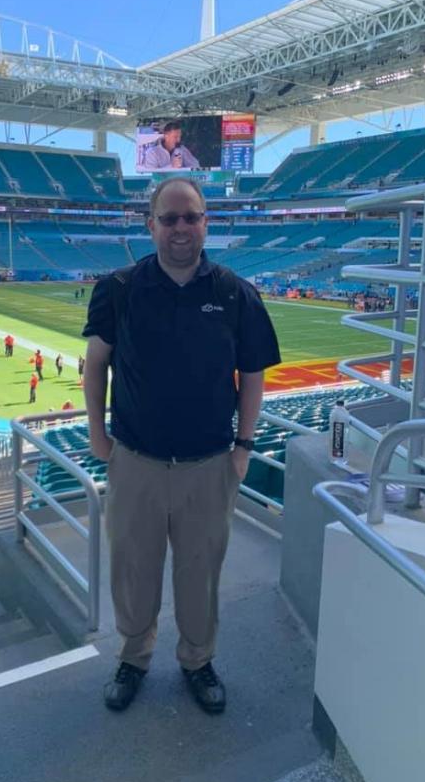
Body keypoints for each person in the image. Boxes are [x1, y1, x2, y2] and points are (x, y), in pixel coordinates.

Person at [82, 177, 280, 714]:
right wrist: (98, 435)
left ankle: (197, 659)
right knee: (133, 570)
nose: (180, 228)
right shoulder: (119, 289)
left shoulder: (235, 293)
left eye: (190, 217)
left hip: (209, 463)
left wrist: (243, 447)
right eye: (168, 219)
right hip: (136, 461)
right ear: (151, 225)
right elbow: (96, 363)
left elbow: (254, 374)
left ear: (205, 222)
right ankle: (134, 656)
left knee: (201, 572)